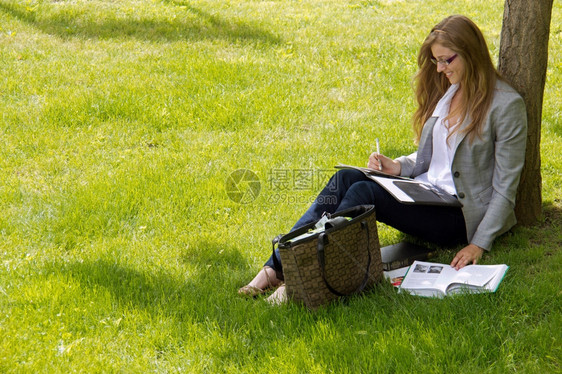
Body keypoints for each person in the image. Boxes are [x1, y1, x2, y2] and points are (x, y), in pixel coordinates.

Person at [238, 15, 527, 302]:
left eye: (446, 60)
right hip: (426, 194)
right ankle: (274, 268)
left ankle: (309, 273)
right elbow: (439, 156)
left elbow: (505, 187)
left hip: (459, 216)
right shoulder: (453, 90)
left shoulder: (505, 106)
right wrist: (398, 166)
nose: (439, 69)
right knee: (346, 178)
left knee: (365, 192)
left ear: (470, 53)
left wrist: (478, 244)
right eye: (435, 61)